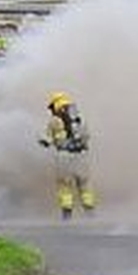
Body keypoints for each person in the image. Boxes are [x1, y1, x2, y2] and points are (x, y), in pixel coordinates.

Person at [40, 90, 96, 219]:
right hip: (82, 155)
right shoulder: (81, 118)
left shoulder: (54, 121)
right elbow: (87, 136)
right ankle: (90, 212)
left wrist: (43, 141)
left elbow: (47, 139)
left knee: (65, 186)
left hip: (64, 157)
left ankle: (67, 214)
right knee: (85, 184)